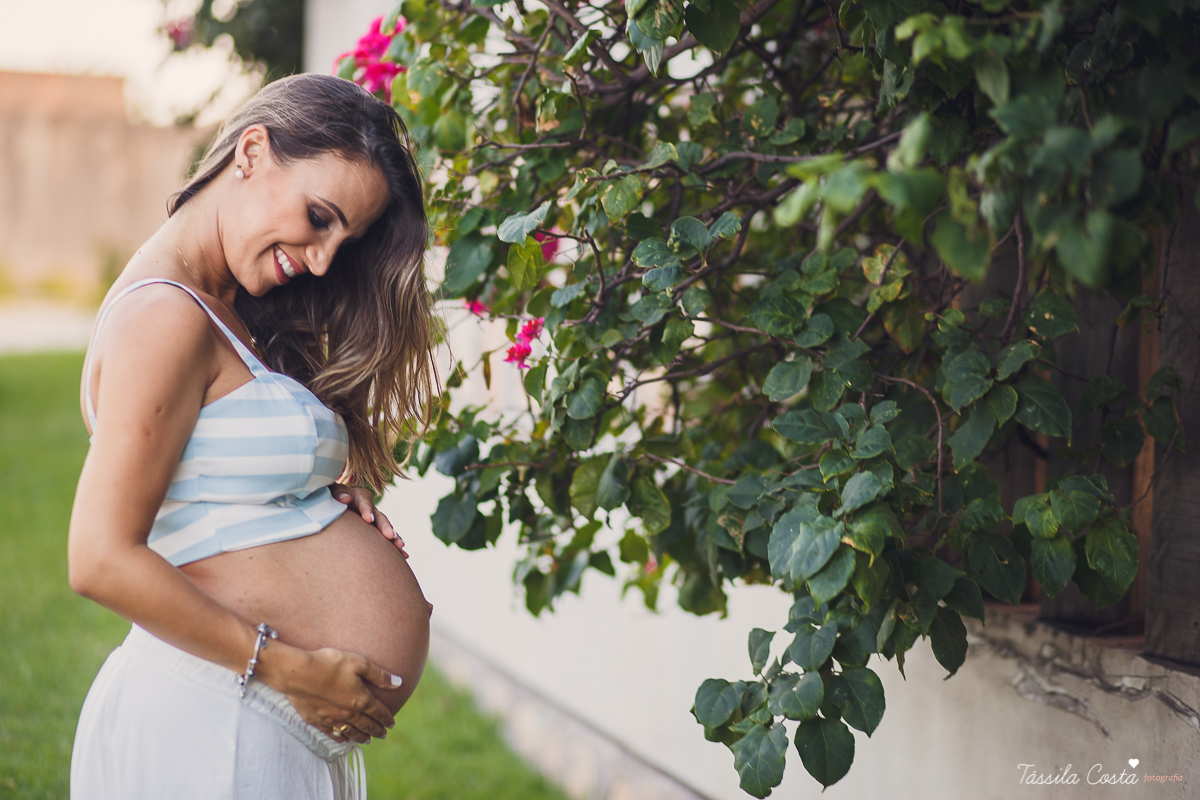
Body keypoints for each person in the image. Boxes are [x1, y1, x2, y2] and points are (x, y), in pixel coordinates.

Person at [68, 73, 436, 799]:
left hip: (240, 718)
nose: (326, 258)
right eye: (320, 216)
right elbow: (99, 559)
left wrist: (314, 502)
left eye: (346, 239)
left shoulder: (220, 306)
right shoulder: (165, 317)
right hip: (209, 721)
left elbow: (210, 489)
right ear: (252, 152)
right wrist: (293, 670)